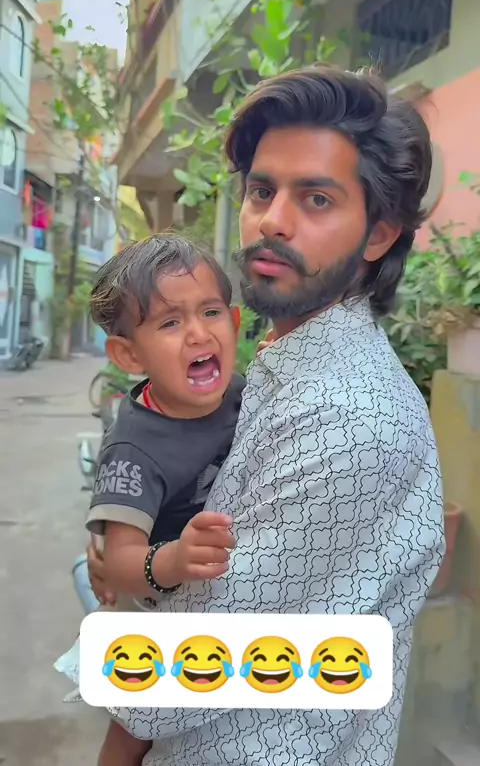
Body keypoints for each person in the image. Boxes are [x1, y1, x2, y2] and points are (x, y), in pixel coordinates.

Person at [87, 66, 445, 766]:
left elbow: (191, 657)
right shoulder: (280, 365)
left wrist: (139, 575)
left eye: (316, 198)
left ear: (378, 234)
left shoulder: (350, 419)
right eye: (261, 190)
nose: (271, 220)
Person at [56, 234, 245, 766]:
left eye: (211, 312)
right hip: (153, 601)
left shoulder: (241, 392)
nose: (198, 333)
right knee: (134, 724)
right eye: (170, 322)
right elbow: (119, 563)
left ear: (235, 322)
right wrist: (175, 559)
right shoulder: (134, 449)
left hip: (208, 597)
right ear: (129, 354)